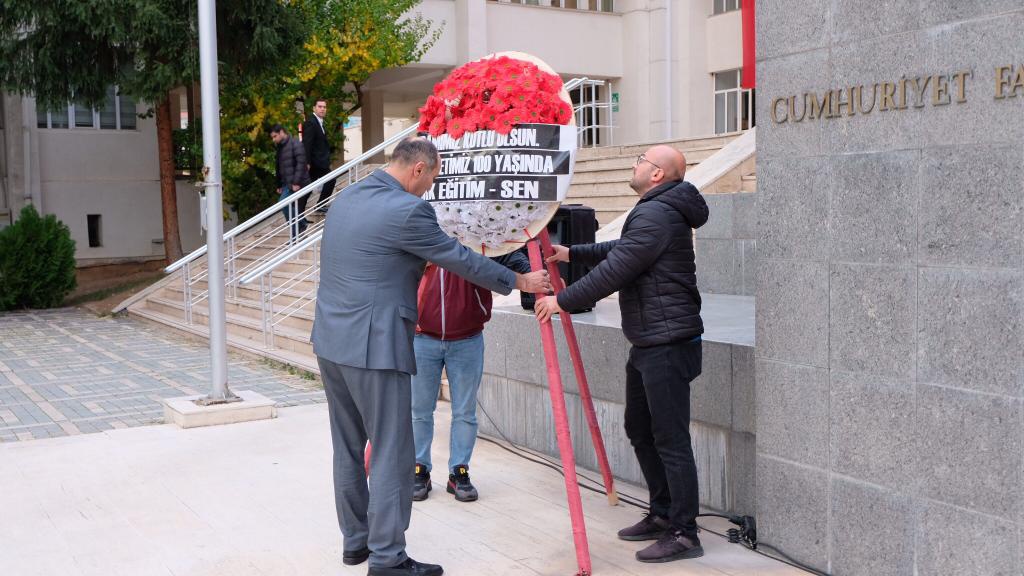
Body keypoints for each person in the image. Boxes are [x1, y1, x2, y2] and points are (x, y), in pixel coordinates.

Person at [311, 137, 551, 576]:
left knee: (347, 447)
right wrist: (520, 282)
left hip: (331, 340)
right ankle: (387, 558)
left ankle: (356, 543)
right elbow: (459, 259)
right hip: (375, 344)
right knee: (393, 451)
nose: (430, 189)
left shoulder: (347, 198)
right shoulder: (409, 210)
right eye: (432, 179)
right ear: (418, 169)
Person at [535, 145, 709, 564]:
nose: (635, 164)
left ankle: (684, 532)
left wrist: (562, 300)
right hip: (652, 340)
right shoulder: (658, 209)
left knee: (670, 439)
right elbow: (626, 248)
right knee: (640, 429)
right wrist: (572, 253)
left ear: (657, 174)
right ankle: (663, 513)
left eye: (641, 160)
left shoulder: (658, 212)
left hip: (667, 343)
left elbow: (618, 269)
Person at [411, 250, 532, 503]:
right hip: (422, 337)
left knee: (465, 412)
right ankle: (419, 468)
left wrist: (530, 271)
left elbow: (508, 254)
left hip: (467, 338)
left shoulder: (476, 235)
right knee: (419, 410)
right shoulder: (422, 233)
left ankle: (459, 471)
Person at [269, 124, 310, 241]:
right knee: (288, 208)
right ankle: (298, 229)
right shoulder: (280, 147)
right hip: (287, 184)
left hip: (299, 183)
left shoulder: (295, 143)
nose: (274, 139)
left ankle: (301, 225)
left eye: (275, 136)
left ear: (282, 132)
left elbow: (301, 164)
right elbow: (279, 167)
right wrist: (279, 184)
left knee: (284, 204)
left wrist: (296, 182)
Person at [302, 98, 336, 214]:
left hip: (318, 162)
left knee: (307, 189)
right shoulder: (311, 122)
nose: (322, 109)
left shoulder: (319, 122)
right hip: (315, 163)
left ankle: (299, 215)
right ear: (314, 108)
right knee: (330, 180)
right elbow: (307, 144)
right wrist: (307, 163)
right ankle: (319, 206)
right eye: (320, 107)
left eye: (324, 107)